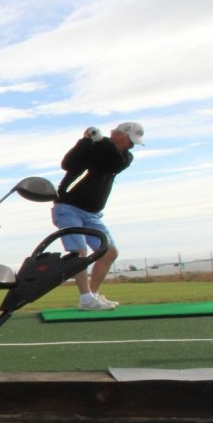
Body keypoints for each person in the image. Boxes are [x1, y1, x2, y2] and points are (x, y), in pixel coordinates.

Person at [52, 121, 144, 311]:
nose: (131, 145)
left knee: (109, 252)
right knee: (79, 252)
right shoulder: (93, 146)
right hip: (68, 207)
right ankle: (86, 297)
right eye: (130, 140)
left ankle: (90, 296)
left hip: (92, 213)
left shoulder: (124, 157)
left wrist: (101, 140)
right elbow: (67, 164)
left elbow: (115, 162)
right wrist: (85, 141)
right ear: (118, 134)